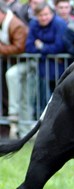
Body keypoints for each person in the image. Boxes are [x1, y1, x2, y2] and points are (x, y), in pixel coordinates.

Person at [19, 1, 67, 131]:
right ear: (36, 16)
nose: (44, 18)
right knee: (42, 101)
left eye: (46, 14)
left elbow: (59, 47)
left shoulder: (59, 24)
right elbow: (29, 47)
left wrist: (41, 46)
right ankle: (43, 129)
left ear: (52, 13)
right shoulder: (34, 24)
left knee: (60, 101)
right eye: (40, 15)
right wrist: (47, 49)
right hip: (43, 71)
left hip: (59, 70)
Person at [0, 1, 27, 139]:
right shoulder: (4, 24)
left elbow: (19, 48)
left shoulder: (16, 25)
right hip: (7, 64)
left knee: (19, 100)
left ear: (2, 13)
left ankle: (14, 128)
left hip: (23, 65)